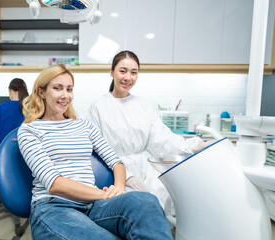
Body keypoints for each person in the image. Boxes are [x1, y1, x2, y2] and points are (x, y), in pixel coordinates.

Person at [17, 64, 173, 240]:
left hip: (94, 206)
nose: (65, 95)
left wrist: (119, 188)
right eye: (57, 88)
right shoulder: (29, 131)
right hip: (53, 208)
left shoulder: (84, 126)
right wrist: (103, 194)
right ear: (41, 92)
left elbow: (116, 162)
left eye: (69, 89)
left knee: (146, 202)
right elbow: (55, 184)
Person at [87, 50, 212, 207]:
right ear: (112, 72)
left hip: (147, 171)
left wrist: (193, 146)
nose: (128, 78)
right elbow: (97, 151)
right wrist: (127, 176)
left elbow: (162, 139)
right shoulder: (98, 107)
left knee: (167, 204)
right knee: (135, 208)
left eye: (134, 72)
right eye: (122, 71)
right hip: (115, 175)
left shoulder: (144, 105)